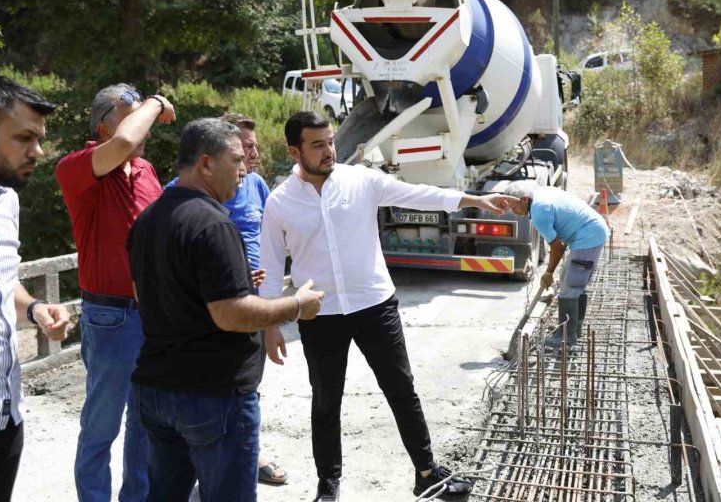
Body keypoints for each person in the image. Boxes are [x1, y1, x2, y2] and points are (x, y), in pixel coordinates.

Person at [259, 111, 517, 502]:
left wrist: (473, 198)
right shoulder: (280, 202)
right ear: (294, 151)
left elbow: (418, 193)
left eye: (330, 141)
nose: (329, 150)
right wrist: (270, 323)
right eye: (318, 144)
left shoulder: (360, 180)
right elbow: (272, 264)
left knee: (401, 390)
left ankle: (427, 473)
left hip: (374, 305)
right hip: (320, 315)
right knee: (326, 402)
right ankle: (328, 485)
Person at [127, 118, 323, 502]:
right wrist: (297, 305)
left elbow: (143, 293)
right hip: (212, 395)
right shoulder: (214, 224)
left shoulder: (147, 220)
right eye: (236, 160)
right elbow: (230, 314)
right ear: (205, 164)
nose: (245, 170)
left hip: (156, 391)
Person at [55, 84, 176, 502]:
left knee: (145, 423)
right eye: (133, 115)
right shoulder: (75, 167)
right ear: (105, 125)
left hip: (154, 314)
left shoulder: (146, 171)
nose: (145, 130)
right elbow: (126, 140)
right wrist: (156, 103)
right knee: (101, 425)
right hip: (110, 316)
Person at [166, 112, 288, 485]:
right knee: (211, 388)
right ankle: (206, 466)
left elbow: (273, 238)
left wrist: (271, 318)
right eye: (241, 151)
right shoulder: (181, 192)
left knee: (247, 385)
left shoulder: (255, 185)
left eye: (251, 148)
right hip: (207, 304)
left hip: (254, 301)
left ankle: (250, 453)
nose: (251, 156)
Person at [0, 76, 71, 500]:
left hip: (7, 415)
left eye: (39, 138)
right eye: (23, 137)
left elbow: (4, 279)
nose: (38, 151)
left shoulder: (7, 200)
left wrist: (35, 309)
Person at [504, 182, 610, 346]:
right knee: (573, 282)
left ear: (524, 199)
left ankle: (566, 336)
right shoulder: (539, 193)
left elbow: (557, 249)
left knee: (570, 285)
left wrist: (548, 273)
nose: (514, 212)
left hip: (588, 236)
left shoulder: (539, 212)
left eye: (514, 207)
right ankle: (574, 328)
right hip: (590, 230)